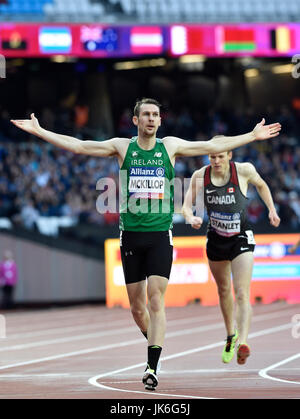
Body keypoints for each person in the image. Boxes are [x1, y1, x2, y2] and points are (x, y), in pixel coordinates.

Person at [11, 99, 281, 390]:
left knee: (155, 299)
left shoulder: (171, 147)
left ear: (160, 121)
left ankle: (152, 366)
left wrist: (251, 136)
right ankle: (154, 339)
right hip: (130, 237)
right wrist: (41, 132)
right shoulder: (123, 147)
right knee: (138, 309)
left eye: (156, 115)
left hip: (159, 235)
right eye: (146, 115)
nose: (151, 119)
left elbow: (209, 145)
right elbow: (80, 146)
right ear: (136, 121)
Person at [182, 146, 281, 365]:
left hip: (241, 237)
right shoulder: (201, 175)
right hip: (216, 239)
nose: (216, 160)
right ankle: (231, 335)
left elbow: (262, 185)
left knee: (242, 292)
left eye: (220, 156)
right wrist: (191, 218)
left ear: (229, 155)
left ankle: (243, 342)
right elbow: (186, 206)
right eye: (212, 157)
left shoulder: (244, 170)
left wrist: (272, 210)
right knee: (224, 289)